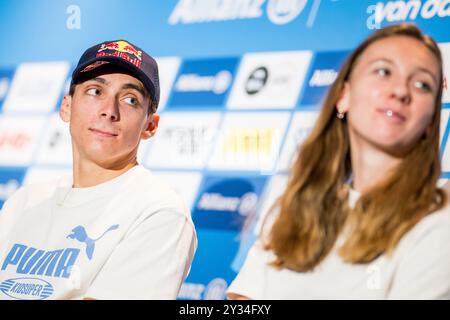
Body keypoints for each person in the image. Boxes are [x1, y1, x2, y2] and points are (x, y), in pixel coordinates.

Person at [227, 24, 450, 300]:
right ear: (343, 96)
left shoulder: (437, 220)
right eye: (383, 71)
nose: (400, 91)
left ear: (430, 122)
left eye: (422, 84)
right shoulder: (297, 202)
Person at [0, 40, 197, 300]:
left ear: (150, 125)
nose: (109, 111)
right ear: (66, 106)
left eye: (130, 99)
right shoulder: (23, 201)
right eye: (95, 91)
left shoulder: (159, 212)